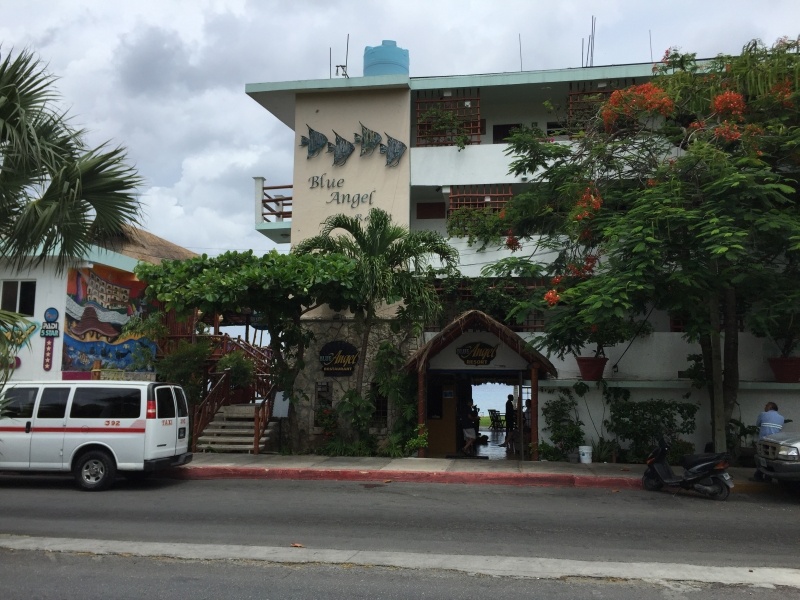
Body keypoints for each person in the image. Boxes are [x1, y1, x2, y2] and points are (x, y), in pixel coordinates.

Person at [753, 402, 785, 482]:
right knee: (770, 459)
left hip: (763, 441)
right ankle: (768, 477)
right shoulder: (781, 418)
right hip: (774, 443)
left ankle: (758, 475)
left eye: (766, 405)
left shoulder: (763, 414)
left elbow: (758, 424)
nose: (765, 407)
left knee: (761, 458)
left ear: (770, 407)